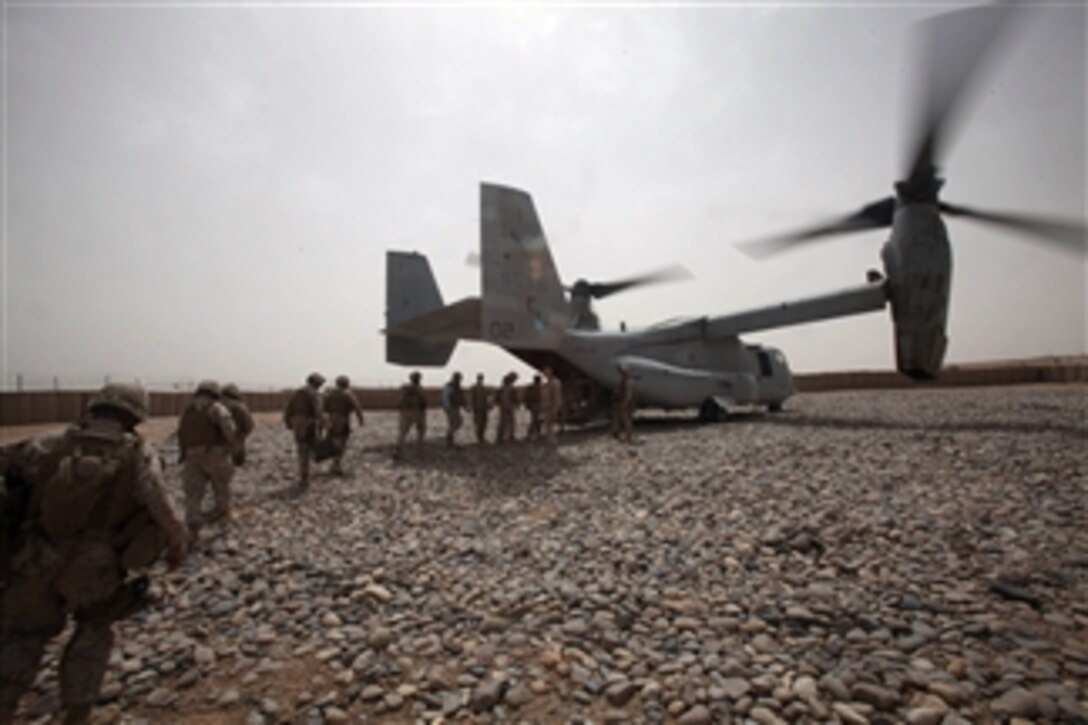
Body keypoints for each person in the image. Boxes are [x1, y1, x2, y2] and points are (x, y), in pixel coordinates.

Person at [0, 383, 189, 724]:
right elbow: (159, 504)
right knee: (94, 629)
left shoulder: (49, 442)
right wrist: (178, 543)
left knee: (23, 634)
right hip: (94, 566)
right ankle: (77, 712)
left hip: (34, 555)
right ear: (135, 414)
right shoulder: (137, 453)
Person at [177, 380, 237, 537]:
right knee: (221, 487)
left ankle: (193, 523)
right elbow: (229, 429)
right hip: (214, 453)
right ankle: (224, 520)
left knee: (193, 492)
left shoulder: (188, 410)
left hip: (191, 455)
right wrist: (231, 446)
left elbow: (181, 433)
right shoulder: (216, 408)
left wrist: (183, 453)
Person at [283, 373, 325, 491]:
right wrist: (323, 425)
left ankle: (304, 474)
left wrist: (288, 421)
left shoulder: (298, 392)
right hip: (309, 424)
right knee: (309, 449)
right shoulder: (314, 394)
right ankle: (305, 477)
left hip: (297, 424)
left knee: (301, 448)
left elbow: (288, 408)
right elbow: (318, 411)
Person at [323, 375, 364, 476]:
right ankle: (336, 465)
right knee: (341, 441)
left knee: (332, 440)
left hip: (331, 418)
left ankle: (334, 463)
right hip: (342, 419)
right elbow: (357, 407)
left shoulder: (330, 394)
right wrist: (360, 420)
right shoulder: (348, 394)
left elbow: (324, 407)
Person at [220, 383, 254, 467]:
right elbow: (249, 424)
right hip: (237, 437)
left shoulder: (217, 406)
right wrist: (243, 434)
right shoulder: (241, 407)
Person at [394, 371, 426, 459]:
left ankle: (399, 449)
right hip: (417, 411)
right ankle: (419, 451)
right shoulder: (419, 388)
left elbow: (400, 400)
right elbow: (423, 401)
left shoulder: (404, 388)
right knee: (421, 431)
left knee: (403, 432)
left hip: (404, 412)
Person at [441, 372, 468, 447]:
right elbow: (445, 397)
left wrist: (465, 407)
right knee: (456, 423)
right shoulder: (449, 386)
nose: (459, 380)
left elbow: (462, 399)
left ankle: (449, 439)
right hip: (451, 408)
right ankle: (449, 439)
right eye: (459, 378)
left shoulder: (457, 387)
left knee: (456, 423)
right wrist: (448, 407)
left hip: (455, 408)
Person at [612, 364, 636, 444]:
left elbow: (629, 395)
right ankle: (617, 433)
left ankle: (629, 437)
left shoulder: (629, 382)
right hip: (621, 402)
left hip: (626, 403)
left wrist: (624, 404)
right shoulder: (624, 380)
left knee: (626, 420)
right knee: (619, 418)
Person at [541, 366, 563, 447]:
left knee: (549, 426)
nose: (545, 374)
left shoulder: (555, 383)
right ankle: (550, 442)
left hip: (551, 408)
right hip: (547, 408)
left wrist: (555, 409)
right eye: (544, 373)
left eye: (547, 372)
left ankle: (553, 443)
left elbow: (557, 397)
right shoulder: (547, 384)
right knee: (547, 426)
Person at [495, 372, 519, 444]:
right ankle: (507, 437)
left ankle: (500, 438)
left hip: (503, 406)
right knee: (509, 422)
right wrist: (515, 404)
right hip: (508, 406)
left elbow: (498, 398)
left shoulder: (502, 387)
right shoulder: (510, 388)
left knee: (503, 422)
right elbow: (514, 398)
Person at [469, 373, 491, 444]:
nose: (481, 380)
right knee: (479, 424)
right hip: (477, 409)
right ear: (478, 379)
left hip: (484, 409)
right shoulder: (474, 388)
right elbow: (472, 399)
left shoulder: (484, 388)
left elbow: (486, 399)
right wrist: (473, 407)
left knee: (484, 423)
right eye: (480, 378)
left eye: (481, 378)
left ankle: (481, 437)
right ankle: (479, 438)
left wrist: (488, 406)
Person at [523, 374, 543, 440]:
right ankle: (534, 433)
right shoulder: (540, 387)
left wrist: (527, 405)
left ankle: (535, 433)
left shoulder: (531, 387)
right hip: (537, 404)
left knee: (535, 419)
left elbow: (526, 396)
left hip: (534, 404)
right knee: (536, 419)